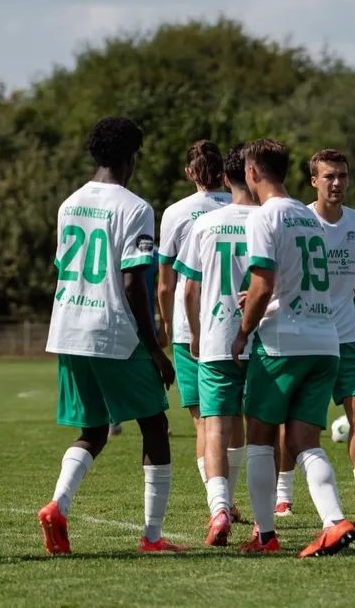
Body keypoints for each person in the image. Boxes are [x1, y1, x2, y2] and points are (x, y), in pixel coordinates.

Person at [40, 116, 182, 555]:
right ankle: (152, 537)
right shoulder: (135, 207)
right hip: (111, 331)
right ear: (130, 157)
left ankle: (58, 506)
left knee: (94, 429)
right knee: (155, 424)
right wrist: (156, 349)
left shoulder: (69, 204)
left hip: (68, 329)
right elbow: (129, 284)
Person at [231, 139, 355, 558]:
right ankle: (334, 521)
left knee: (262, 439)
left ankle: (265, 536)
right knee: (305, 440)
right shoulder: (309, 216)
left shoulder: (264, 217)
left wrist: (242, 332)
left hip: (283, 341)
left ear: (252, 173)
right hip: (326, 341)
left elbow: (264, 283)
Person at [274, 149, 355, 518]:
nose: (337, 183)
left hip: (346, 335)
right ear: (314, 181)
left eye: (342, 175)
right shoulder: (299, 220)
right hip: (305, 333)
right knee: (292, 419)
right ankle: (283, 497)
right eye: (329, 176)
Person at [174, 143, 255, 546]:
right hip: (263, 342)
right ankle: (265, 518)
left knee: (215, 428)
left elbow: (188, 288)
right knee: (260, 430)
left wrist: (193, 332)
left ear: (227, 178)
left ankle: (219, 510)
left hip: (216, 341)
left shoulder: (205, 224)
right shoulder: (269, 221)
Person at [157, 141, 234, 511]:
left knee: (204, 421)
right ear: (224, 171)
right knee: (236, 418)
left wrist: (167, 325)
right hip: (235, 322)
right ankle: (235, 499)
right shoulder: (243, 207)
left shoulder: (175, 212)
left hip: (191, 328)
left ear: (189, 173)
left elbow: (165, 282)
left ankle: (218, 505)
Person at [109, 254, 162, 437]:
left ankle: (149, 419)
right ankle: (116, 419)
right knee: (144, 371)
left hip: (128, 318)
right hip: (130, 317)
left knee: (141, 372)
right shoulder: (152, 253)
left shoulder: (154, 254)